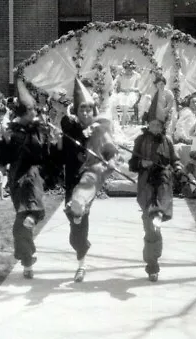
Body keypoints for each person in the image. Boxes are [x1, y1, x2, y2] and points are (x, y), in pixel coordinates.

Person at [0, 80, 51, 279]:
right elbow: (1, 158)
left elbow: (44, 154)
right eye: (31, 110)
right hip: (16, 176)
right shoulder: (12, 132)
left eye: (35, 109)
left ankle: (35, 219)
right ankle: (28, 260)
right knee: (22, 222)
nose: (35, 113)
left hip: (32, 174)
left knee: (22, 222)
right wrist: (5, 142)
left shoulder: (40, 130)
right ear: (22, 113)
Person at [59, 78, 118, 282]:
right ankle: (77, 218)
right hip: (72, 178)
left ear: (94, 111)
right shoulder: (70, 128)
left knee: (82, 201)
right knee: (75, 231)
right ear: (76, 111)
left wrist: (111, 161)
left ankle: (81, 265)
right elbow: (65, 122)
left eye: (89, 109)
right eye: (81, 109)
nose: (86, 113)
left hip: (91, 175)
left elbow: (110, 150)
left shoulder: (100, 129)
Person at [129, 118, 183, 282]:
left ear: (162, 126)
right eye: (152, 124)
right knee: (151, 229)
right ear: (148, 125)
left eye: (158, 125)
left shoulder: (167, 141)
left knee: (155, 221)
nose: (155, 127)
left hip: (163, 182)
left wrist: (178, 168)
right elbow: (132, 164)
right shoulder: (140, 140)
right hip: (146, 185)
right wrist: (141, 163)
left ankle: (153, 265)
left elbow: (175, 159)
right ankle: (152, 261)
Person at [114, 60, 141, 126]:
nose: (129, 70)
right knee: (121, 101)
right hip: (122, 93)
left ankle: (123, 124)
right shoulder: (120, 76)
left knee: (126, 103)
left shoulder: (136, 76)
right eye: (127, 69)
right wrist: (124, 90)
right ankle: (125, 117)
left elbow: (137, 88)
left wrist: (131, 89)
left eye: (131, 69)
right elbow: (118, 89)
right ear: (125, 68)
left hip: (132, 94)